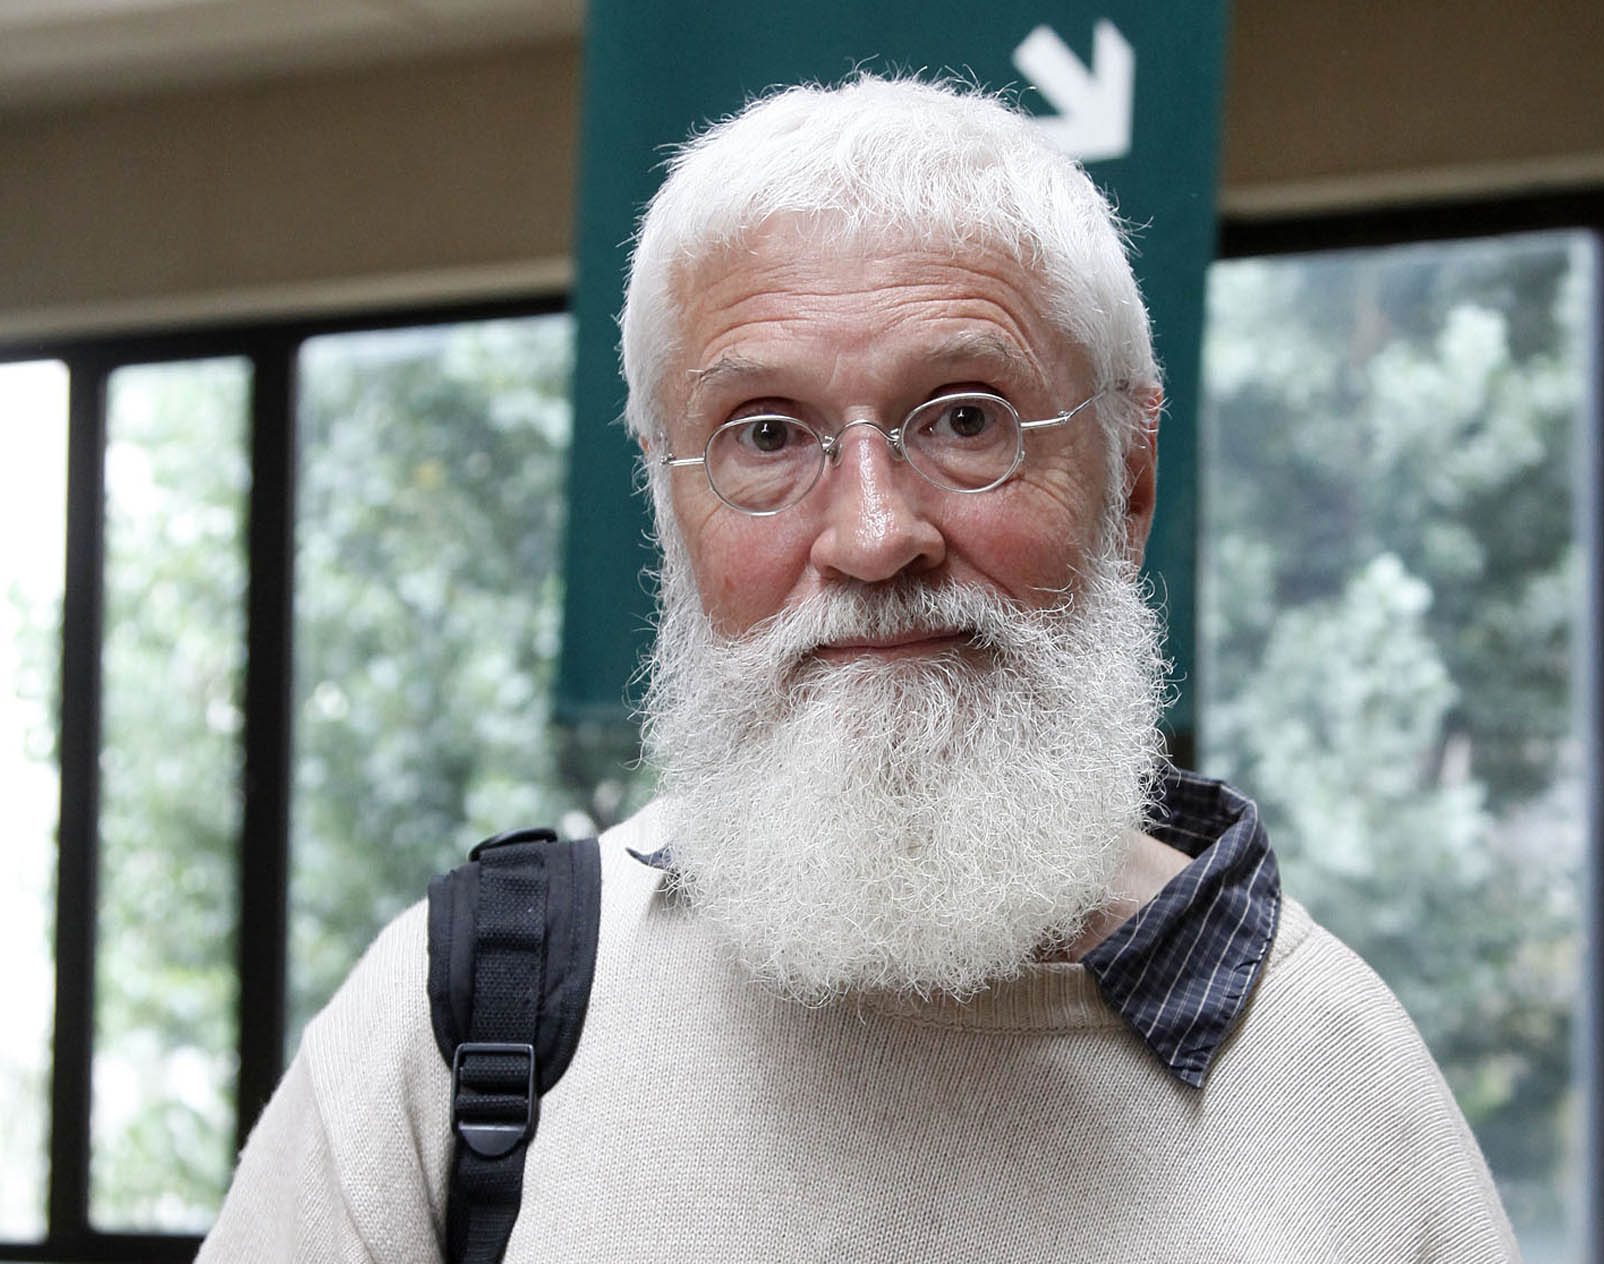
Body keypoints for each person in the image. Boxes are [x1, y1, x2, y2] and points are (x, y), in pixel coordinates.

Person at [199, 76, 1522, 1261]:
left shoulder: (1337, 1081)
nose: (875, 535)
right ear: (669, 510)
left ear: (1128, 476)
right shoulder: (481, 1013)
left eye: (966, 419)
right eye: (766, 436)